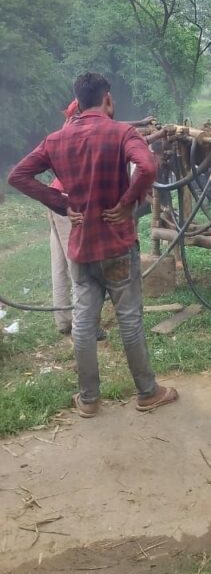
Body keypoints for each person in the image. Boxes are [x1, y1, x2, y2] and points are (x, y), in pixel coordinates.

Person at [8, 72, 178, 419]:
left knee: (84, 323)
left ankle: (88, 400)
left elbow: (18, 176)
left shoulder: (55, 140)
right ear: (108, 99)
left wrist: (61, 203)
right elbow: (147, 165)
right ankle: (148, 393)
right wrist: (129, 201)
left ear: (78, 102)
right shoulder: (121, 133)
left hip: (82, 248)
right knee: (129, 320)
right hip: (117, 246)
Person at [48, 99, 106, 342]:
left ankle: (64, 320)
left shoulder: (67, 129)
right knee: (78, 264)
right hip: (70, 202)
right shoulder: (85, 130)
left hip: (56, 197)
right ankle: (85, 324)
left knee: (60, 261)